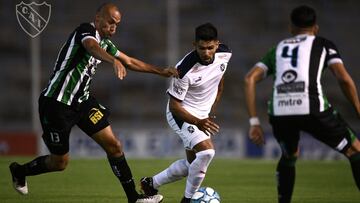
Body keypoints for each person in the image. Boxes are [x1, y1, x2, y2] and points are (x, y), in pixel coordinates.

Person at [9, 3, 177, 203]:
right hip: (57, 103)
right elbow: (91, 47)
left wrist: (161, 71)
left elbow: (130, 62)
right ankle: (20, 170)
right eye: (110, 23)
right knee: (60, 162)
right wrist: (112, 61)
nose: (113, 28)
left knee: (114, 146)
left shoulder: (106, 43)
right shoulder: (85, 30)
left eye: (117, 24)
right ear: (98, 19)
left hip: (83, 102)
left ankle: (134, 198)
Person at [244, 5, 360, 203]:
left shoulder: (278, 49)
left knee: (290, 156)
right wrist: (358, 109)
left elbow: (249, 79)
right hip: (311, 107)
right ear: (316, 28)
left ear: (291, 27)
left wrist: (254, 122)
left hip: (280, 111)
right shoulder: (324, 45)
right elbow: (343, 79)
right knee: (355, 149)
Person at [139, 23, 232, 203]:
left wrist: (209, 110)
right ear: (194, 45)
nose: (206, 52)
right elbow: (174, 106)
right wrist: (198, 121)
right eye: (201, 48)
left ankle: (151, 183)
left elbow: (219, 80)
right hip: (181, 114)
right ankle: (188, 200)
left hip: (201, 117)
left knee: (192, 165)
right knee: (207, 153)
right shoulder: (184, 70)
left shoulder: (225, 54)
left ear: (217, 44)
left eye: (210, 48)